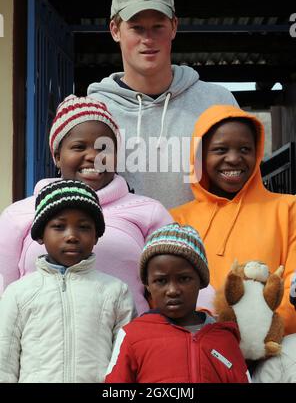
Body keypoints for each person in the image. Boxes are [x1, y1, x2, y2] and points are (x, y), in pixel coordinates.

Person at [0, 95, 172, 314]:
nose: (93, 155)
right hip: (41, 345)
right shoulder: (19, 214)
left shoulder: (149, 213)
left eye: (104, 148)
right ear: (56, 156)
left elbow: (182, 280)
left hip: (126, 344)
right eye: (79, 147)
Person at [87, 0, 238, 209]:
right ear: (115, 30)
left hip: (201, 243)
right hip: (125, 244)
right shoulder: (94, 111)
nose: (148, 39)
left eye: (158, 26)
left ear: (174, 27)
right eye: (136, 28)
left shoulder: (217, 103)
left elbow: (244, 189)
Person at [171, 105, 296, 336]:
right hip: (198, 343)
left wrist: (266, 330)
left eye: (245, 149)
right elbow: (167, 288)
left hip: (272, 343)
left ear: (257, 153)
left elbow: (292, 285)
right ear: (200, 156)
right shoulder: (177, 219)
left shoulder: (288, 209)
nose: (233, 158)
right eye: (220, 150)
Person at [0, 179, 136, 383]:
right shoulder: (18, 293)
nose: (72, 236)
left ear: (96, 236)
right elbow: (4, 360)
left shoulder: (115, 292)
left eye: (83, 227)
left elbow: (126, 360)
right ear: (40, 236)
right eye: (59, 226)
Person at [105, 223, 250, 383]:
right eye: (161, 281)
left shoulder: (225, 339)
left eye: (184, 279)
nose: (172, 290)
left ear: (201, 280)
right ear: (147, 284)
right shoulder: (132, 336)